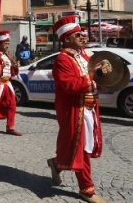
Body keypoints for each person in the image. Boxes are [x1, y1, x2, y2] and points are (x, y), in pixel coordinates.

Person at [47, 15, 107, 203]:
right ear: (66, 39)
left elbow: (94, 80)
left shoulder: (85, 56)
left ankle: (56, 164)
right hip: (74, 111)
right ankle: (86, 190)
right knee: (81, 150)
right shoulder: (62, 60)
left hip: (88, 109)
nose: (82, 37)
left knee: (78, 148)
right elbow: (70, 85)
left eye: (82, 34)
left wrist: (105, 74)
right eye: (77, 35)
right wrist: (94, 74)